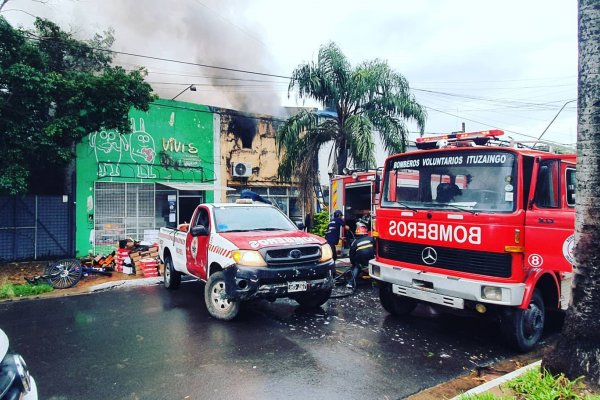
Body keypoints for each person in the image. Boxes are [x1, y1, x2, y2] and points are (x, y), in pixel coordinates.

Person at [347, 222, 375, 289]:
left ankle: (350, 283)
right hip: (371, 258)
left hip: (360, 259)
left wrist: (353, 263)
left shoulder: (355, 242)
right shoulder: (370, 238)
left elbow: (351, 254)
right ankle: (375, 282)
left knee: (357, 267)